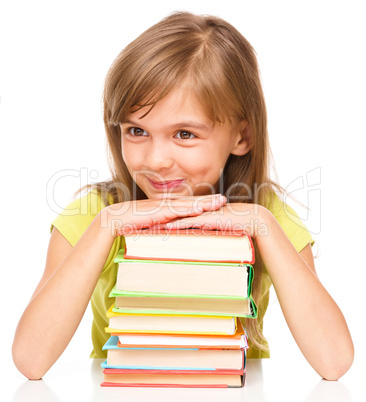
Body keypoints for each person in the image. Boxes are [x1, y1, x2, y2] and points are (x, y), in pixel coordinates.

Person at [12, 11, 353, 381]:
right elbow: (31, 361)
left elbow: (334, 362)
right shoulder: (92, 215)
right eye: (137, 131)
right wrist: (104, 229)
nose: (156, 160)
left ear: (242, 137)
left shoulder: (268, 216)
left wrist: (263, 225)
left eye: (185, 134)